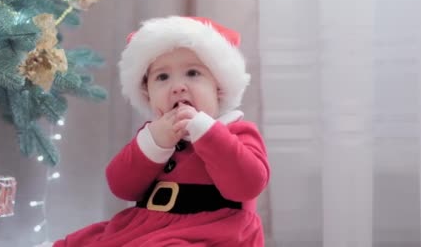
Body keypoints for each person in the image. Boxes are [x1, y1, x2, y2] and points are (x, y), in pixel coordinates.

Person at [52, 16, 270, 246]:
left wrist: (205, 132)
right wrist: (154, 143)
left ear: (219, 87)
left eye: (193, 73)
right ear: (147, 94)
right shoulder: (154, 136)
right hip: (146, 226)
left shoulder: (237, 131)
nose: (178, 87)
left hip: (213, 231)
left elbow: (249, 183)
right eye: (162, 77)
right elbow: (121, 186)